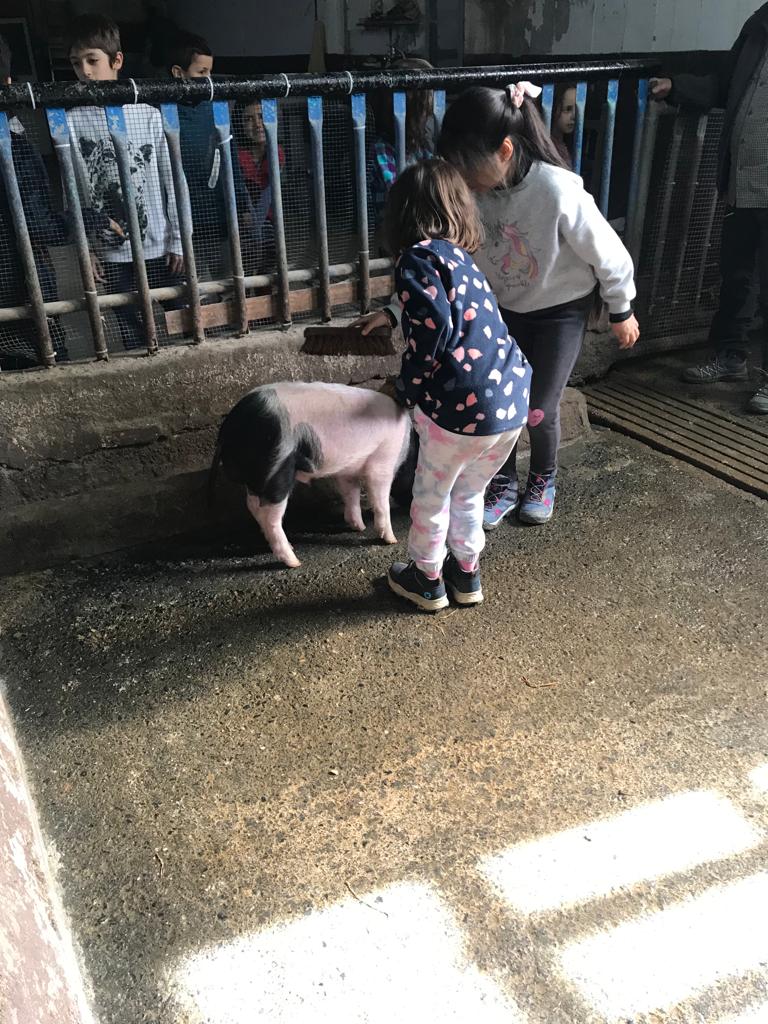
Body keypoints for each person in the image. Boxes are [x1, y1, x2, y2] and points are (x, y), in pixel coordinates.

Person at [358, 83, 639, 528]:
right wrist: (396, 309)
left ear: (505, 150)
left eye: (466, 165)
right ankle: (502, 482)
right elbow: (437, 266)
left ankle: (543, 477)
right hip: (502, 310)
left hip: (560, 310)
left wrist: (621, 308)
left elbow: (609, 254)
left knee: (539, 406)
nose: (461, 178)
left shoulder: (557, 190)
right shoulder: (472, 193)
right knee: (498, 400)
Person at [382, 159, 532, 612]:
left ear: (401, 213)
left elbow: (432, 330)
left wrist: (405, 388)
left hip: (459, 409)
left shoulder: (415, 259)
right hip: (510, 403)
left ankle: (426, 578)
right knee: (469, 493)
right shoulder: (459, 259)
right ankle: (466, 573)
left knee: (432, 494)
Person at [651, 3, 768, 415]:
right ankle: (730, 356)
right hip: (744, 178)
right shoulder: (759, 26)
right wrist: (676, 86)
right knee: (737, 274)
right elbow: (726, 83)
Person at [0, 32, 119, 369]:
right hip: (16, 285)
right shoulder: (12, 145)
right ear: (9, 82)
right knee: (45, 359)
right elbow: (36, 223)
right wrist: (94, 219)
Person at [67, 14, 184, 350]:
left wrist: (179, 238)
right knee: (132, 332)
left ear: (116, 60)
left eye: (92, 60)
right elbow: (72, 190)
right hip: (111, 251)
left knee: (182, 322)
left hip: (159, 245)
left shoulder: (148, 115)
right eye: (76, 63)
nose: (85, 71)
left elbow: (174, 181)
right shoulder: (70, 122)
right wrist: (86, 249)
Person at [163, 31, 256, 280]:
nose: (209, 80)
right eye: (201, 72)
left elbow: (230, 159)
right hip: (185, 222)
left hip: (221, 217)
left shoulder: (217, 108)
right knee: (197, 289)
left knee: (229, 283)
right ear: (178, 73)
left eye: (210, 72)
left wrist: (242, 205)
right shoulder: (161, 113)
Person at [368, 57, 435, 237]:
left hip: (421, 223)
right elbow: (398, 193)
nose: (429, 114)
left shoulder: (421, 146)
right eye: (425, 109)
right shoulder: (381, 149)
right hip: (396, 231)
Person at [233, 100, 284, 272]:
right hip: (240, 223)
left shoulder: (276, 152)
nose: (257, 124)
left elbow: (268, 196)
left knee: (269, 259)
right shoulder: (236, 156)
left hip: (265, 223)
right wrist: (246, 216)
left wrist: (256, 227)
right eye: (248, 119)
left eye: (262, 117)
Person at [551, 83, 577, 168]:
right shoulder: (550, 148)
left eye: (577, 109)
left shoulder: (570, 144)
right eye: (568, 109)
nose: (574, 116)